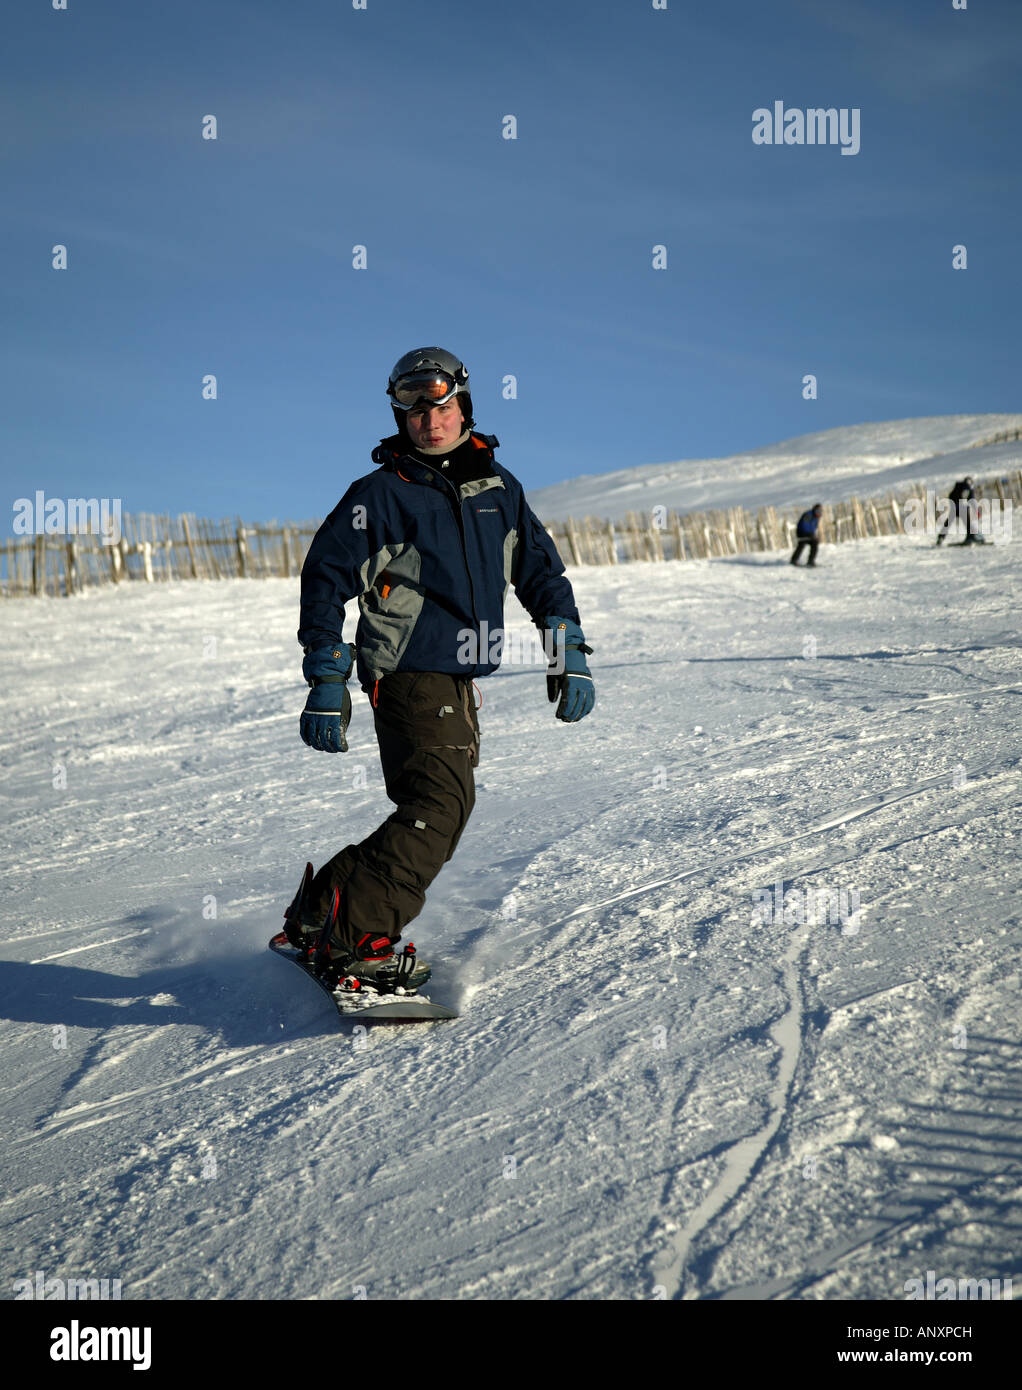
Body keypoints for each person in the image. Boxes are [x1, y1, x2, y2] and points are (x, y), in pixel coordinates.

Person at [286, 347, 595, 993]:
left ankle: (323, 915)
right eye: (415, 408)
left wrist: (566, 651)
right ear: (399, 415)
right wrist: (325, 673)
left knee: (435, 805)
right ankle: (356, 938)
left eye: (443, 404)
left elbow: (541, 574)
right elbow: (325, 578)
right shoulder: (380, 494)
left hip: (456, 677)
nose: (431, 419)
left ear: (464, 405)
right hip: (408, 669)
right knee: (440, 803)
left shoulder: (498, 489)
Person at [935, 476, 976, 545]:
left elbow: (951, 496)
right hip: (963, 509)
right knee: (968, 524)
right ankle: (970, 538)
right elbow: (971, 499)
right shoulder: (969, 487)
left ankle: (941, 537)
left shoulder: (957, 486)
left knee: (948, 523)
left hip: (954, 508)